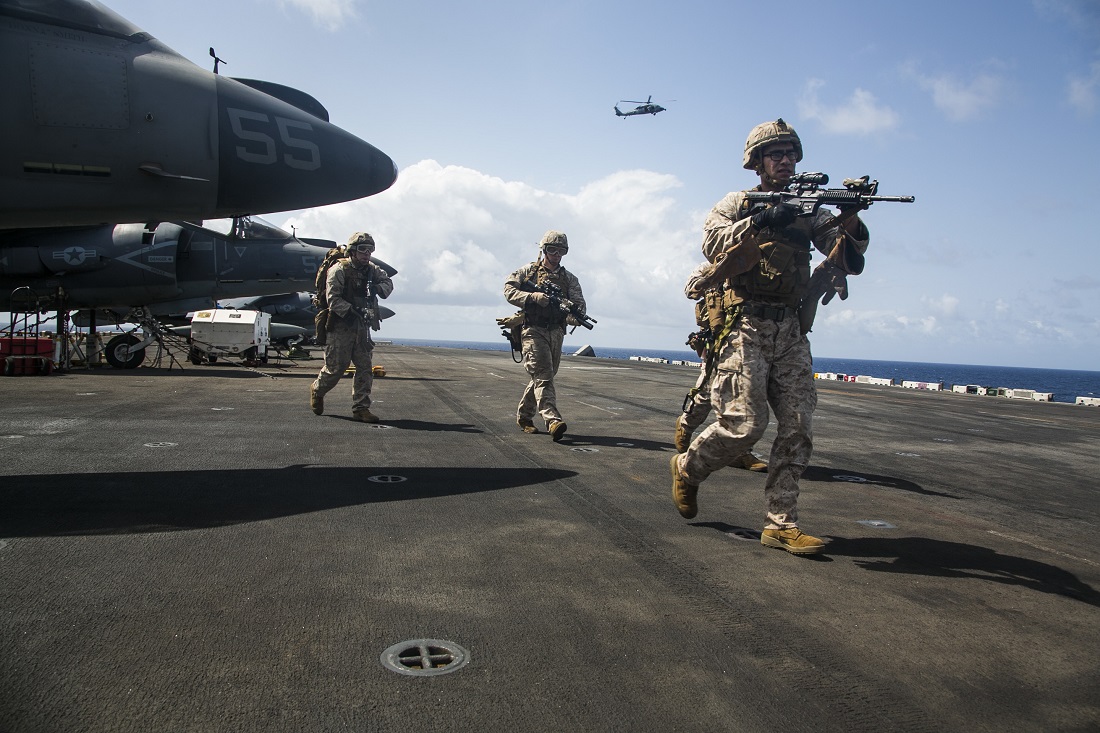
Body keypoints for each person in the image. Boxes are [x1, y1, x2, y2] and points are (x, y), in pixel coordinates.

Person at [669, 118, 869, 555]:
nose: (785, 160)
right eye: (775, 153)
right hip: (745, 324)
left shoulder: (810, 209)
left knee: (798, 426)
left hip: (791, 328)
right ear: (757, 161)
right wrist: (761, 219)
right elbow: (714, 242)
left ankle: (781, 524)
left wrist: (850, 220)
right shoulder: (737, 202)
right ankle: (687, 468)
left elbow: (846, 257)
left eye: (790, 153)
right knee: (743, 426)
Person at [503, 230, 588, 442]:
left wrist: (568, 314)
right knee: (543, 374)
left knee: (544, 376)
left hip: (556, 332)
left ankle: (524, 417)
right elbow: (509, 290)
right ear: (544, 250)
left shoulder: (569, 280)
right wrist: (532, 296)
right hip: (532, 330)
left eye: (561, 251)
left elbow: (579, 309)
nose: (556, 255)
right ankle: (552, 420)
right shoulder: (528, 272)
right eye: (552, 250)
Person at [310, 232, 394, 422]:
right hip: (340, 326)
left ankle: (361, 408)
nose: (367, 254)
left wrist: (379, 288)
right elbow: (333, 300)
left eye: (370, 251)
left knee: (365, 368)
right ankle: (317, 389)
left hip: (362, 327)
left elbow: (388, 282)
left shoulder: (371, 270)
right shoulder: (338, 270)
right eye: (363, 250)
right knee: (336, 368)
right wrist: (353, 310)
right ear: (353, 252)